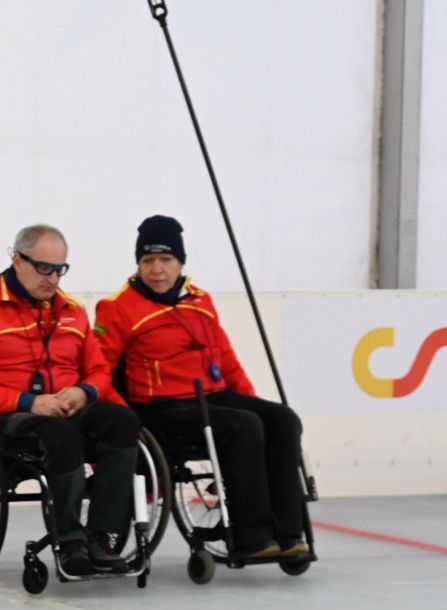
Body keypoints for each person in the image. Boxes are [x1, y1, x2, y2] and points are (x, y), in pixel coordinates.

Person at [94, 215, 307, 559]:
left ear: (181, 262)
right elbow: (99, 368)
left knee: (282, 419)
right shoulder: (118, 308)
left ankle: (290, 533)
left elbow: (225, 357)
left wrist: (249, 401)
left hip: (212, 397)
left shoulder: (200, 300)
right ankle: (251, 539)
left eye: (166, 260)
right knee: (244, 425)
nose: (157, 269)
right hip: (162, 407)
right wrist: (123, 417)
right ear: (138, 264)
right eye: (148, 261)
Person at [0, 223, 141, 575]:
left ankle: (104, 536)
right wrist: (27, 401)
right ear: (17, 259)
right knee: (59, 435)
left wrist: (84, 392)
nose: (52, 278)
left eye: (60, 269)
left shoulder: (73, 309)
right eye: (43, 268)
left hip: (64, 410)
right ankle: (70, 542)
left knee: (123, 422)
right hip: (4, 418)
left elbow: (99, 371)